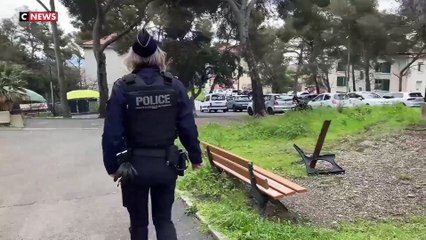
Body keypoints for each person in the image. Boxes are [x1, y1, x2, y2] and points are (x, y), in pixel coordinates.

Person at [101, 29, 203, 240]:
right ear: (159, 56)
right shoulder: (173, 85)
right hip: (166, 165)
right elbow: (187, 126)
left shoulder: (123, 87)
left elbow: (112, 132)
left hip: (134, 168)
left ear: (132, 57)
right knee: (164, 221)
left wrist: (112, 166)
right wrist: (195, 157)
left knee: (138, 225)